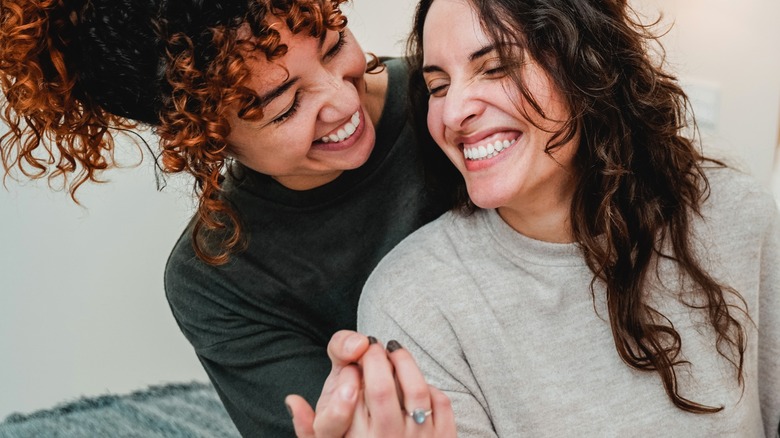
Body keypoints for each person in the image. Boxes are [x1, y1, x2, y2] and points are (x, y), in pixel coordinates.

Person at [0, 0, 456, 436]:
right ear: (207, 137)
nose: (343, 101)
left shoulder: (458, 101)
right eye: (286, 105)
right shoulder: (218, 279)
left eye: (334, 46)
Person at [346, 0, 780, 436]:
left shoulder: (731, 210)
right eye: (438, 86)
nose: (454, 112)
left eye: (496, 67)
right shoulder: (412, 304)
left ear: (587, 61)